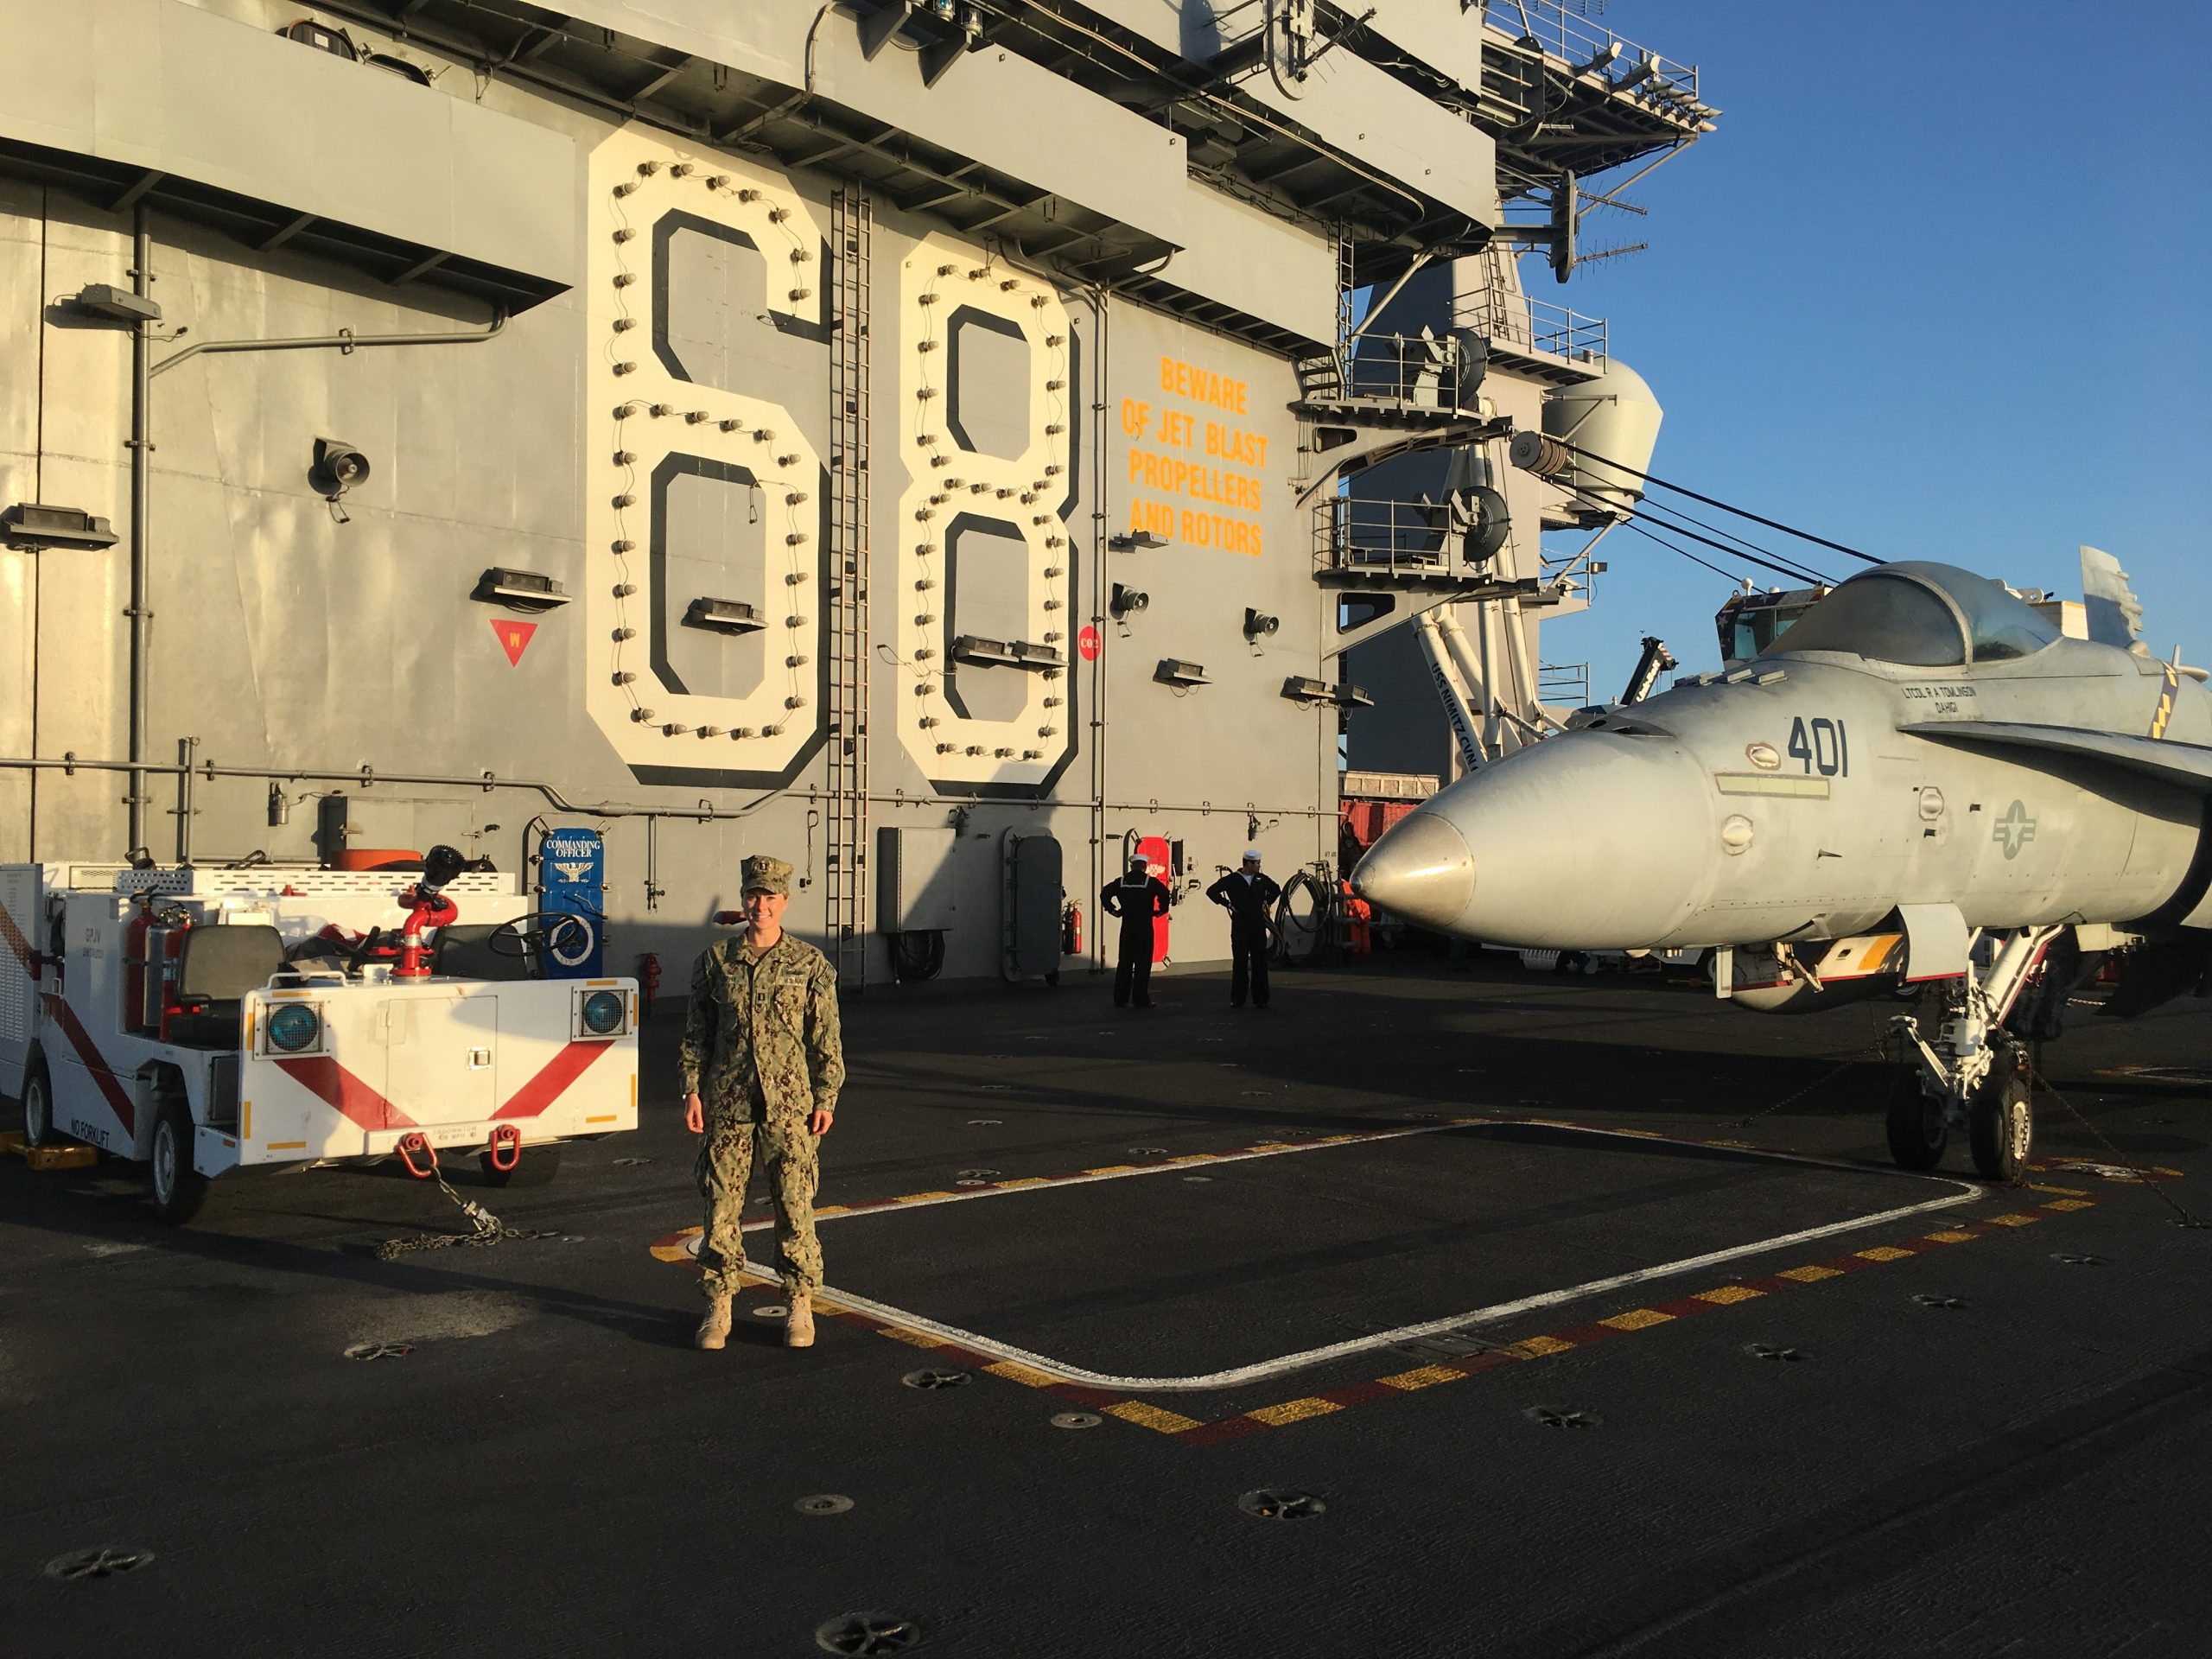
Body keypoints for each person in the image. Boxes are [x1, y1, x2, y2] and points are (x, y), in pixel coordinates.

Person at [678, 854, 843, 1353]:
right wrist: (691, 1089)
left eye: (770, 897)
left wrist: (827, 1096)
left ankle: (799, 1304)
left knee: (796, 1207)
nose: (760, 905)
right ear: (743, 899)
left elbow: (826, 1039)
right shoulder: (715, 962)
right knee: (721, 1210)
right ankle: (719, 1306)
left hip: (790, 1106)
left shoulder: (809, 964)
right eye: (753, 895)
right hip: (728, 1104)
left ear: (785, 902)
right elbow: (696, 1035)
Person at [1205, 849, 1281, 1008]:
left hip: (1257, 924)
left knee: (1259, 962)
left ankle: (1261, 998)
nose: (1259, 866)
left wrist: (1266, 901)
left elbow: (1276, 889)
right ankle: (1238, 998)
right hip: (1240, 925)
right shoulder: (1233, 880)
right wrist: (1228, 904)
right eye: (1257, 863)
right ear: (1248, 863)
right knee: (1240, 963)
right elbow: (1211, 891)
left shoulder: (1261, 879)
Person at [1101, 854, 1172, 1008]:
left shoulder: (1121, 882)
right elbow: (1165, 894)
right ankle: (1140, 999)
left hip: (1127, 926)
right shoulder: (1150, 883)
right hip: (1145, 926)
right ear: (1145, 867)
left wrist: (1113, 910)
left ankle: (1120, 998)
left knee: (1125, 962)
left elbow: (1105, 893)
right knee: (1143, 963)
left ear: (1132, 866)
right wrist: (1161, 910)